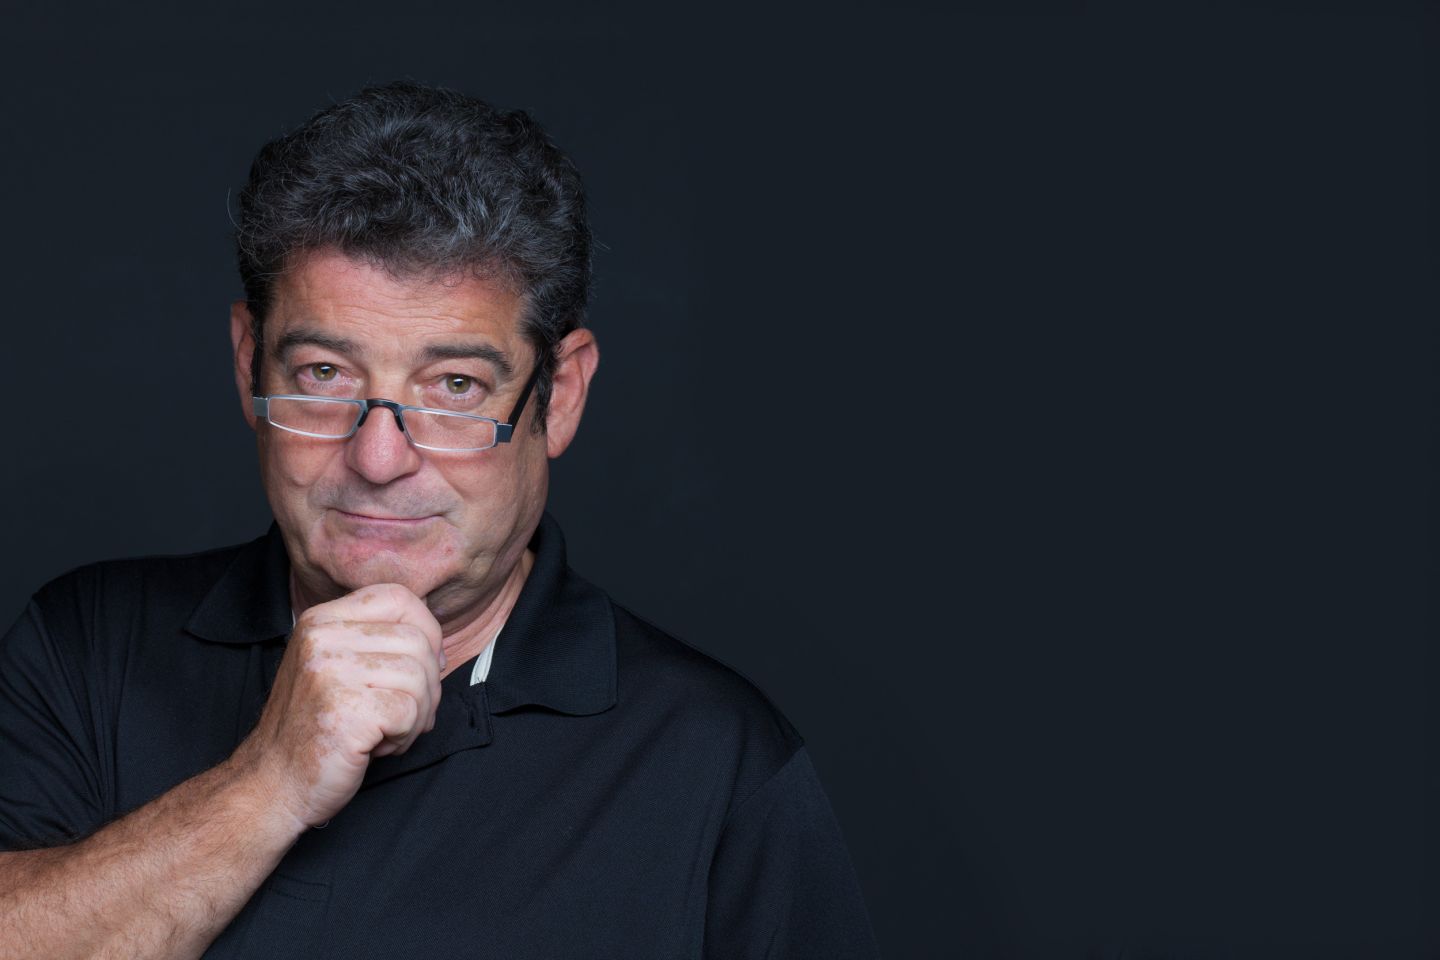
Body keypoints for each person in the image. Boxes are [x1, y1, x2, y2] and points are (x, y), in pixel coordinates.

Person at [0, 82, 878, 958]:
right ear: (247, 365)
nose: (379, 457)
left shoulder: (717, 761)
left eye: (455, 386)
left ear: (559, 397)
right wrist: (268, 783)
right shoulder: (86, 651)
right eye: (322, 374)